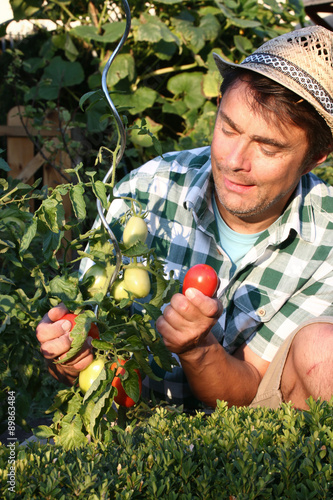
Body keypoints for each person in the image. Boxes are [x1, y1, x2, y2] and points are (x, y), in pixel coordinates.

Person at [36, 25, 333, 412]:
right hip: (138, 405)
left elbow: (246, 390)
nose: (234, 161)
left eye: (268, 147)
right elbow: (92, 328)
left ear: (314, 158)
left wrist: (196, 348)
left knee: (324, 352)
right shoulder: (149, 190)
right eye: (228, 128)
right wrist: (70, 349)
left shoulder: (326, 236)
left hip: (261, 404)